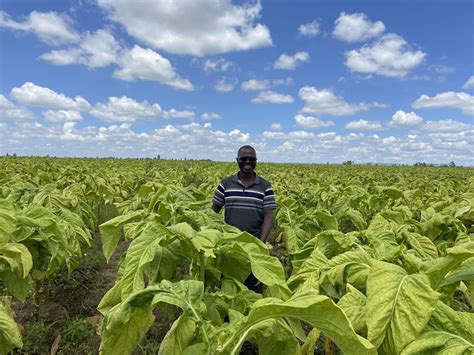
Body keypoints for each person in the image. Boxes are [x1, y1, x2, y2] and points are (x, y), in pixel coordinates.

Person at [212, 145, 277, 292]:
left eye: (251, 159)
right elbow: (214, 211)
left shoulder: (265, 186)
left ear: (256, 161)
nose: (247, 161)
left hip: (253, 244)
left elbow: (268, 215)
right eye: (244, 158)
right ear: (237, 160)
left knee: (252, 286)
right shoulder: (225, 184)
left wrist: (261, 241)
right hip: (229, 245)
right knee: (229, 284)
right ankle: (229, 315)